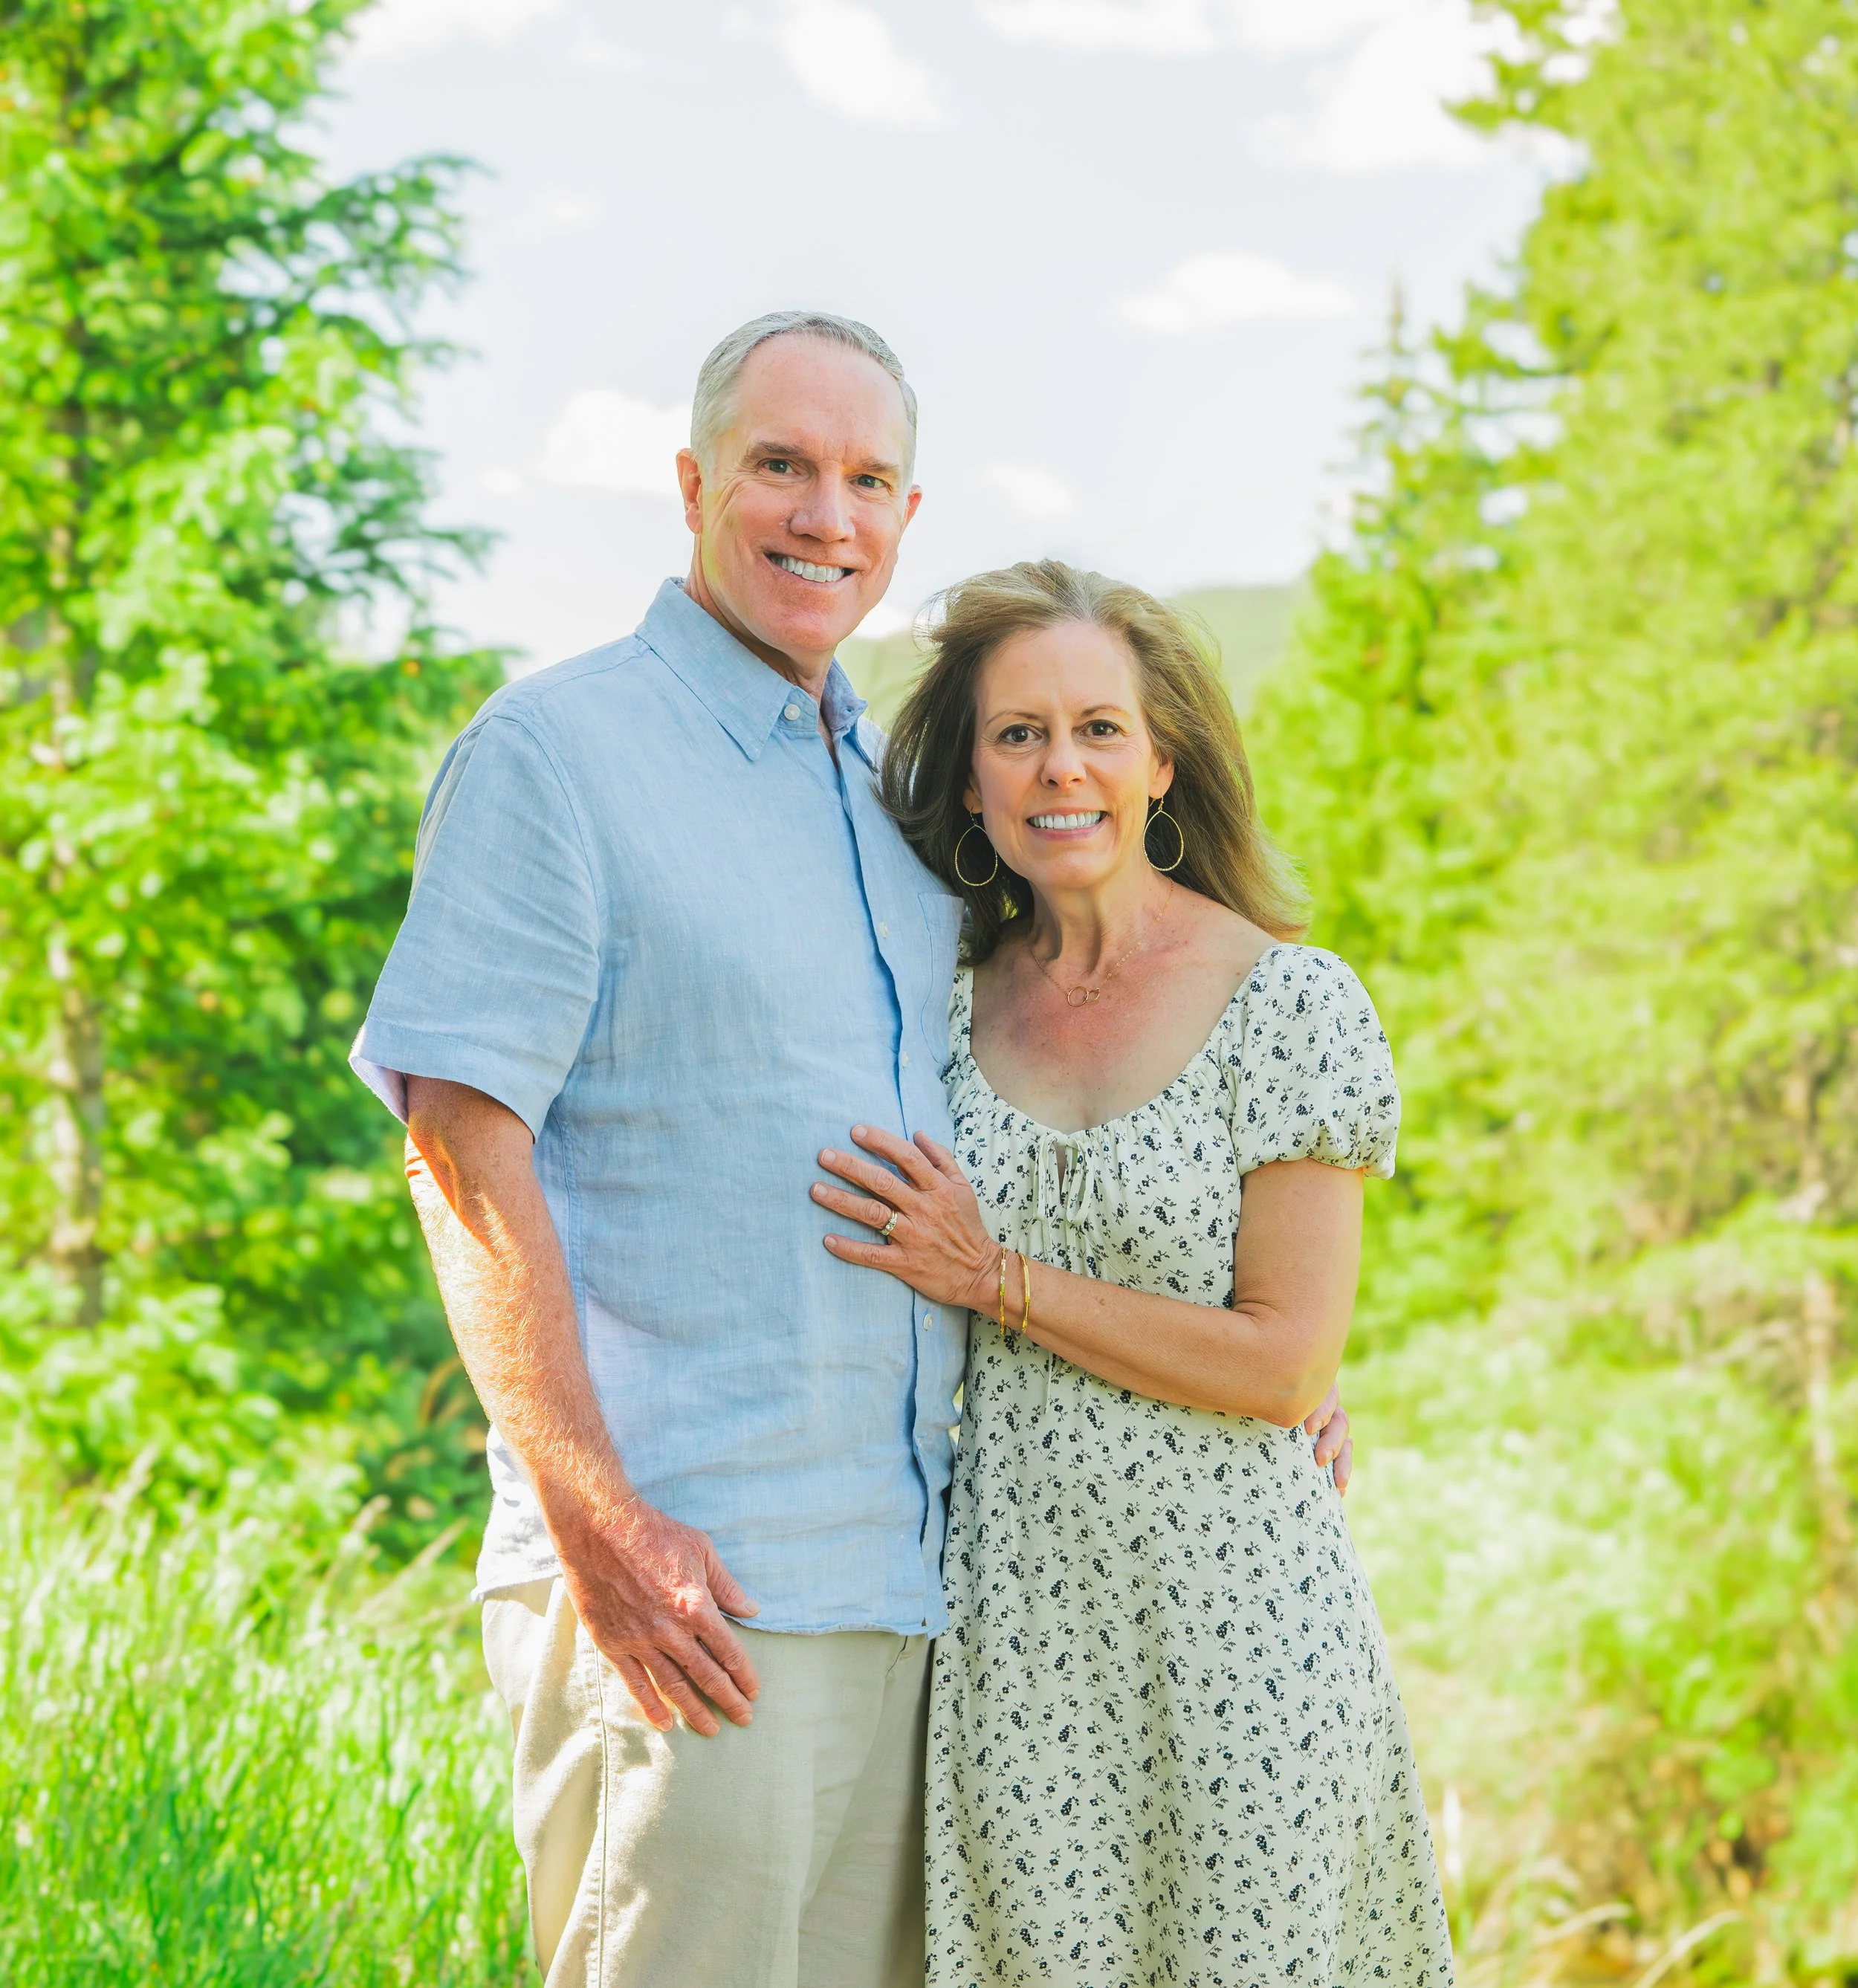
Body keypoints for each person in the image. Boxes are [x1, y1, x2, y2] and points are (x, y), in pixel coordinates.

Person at [352, 309, 1352, 1988]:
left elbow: (1055, 1127)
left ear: (904, 515)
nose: (825, 512)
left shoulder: (893, 817)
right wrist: (598, 1516)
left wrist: (1265, 1350)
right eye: (780, 466)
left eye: (867, 478)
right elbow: (459, 1146)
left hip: (926, 1606)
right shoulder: (559, 754)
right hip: (697, 1598)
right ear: (690, 483)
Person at [809, 560, 1452, 1985]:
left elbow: (1287, 1364)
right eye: (1018, 733)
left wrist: (1001, 1281)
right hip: (1018, 1631)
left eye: (1099, 728)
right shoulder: (939, 1003)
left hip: (1246, 1634)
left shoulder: (1286, 1000)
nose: (1062, 768)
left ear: (1162, 760)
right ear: (970, 781)